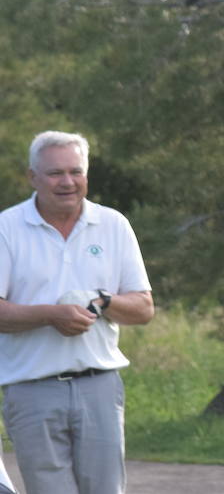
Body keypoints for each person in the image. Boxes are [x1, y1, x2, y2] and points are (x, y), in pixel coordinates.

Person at [0, 131, 155, 494]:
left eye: (76, 171)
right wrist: (51, 315)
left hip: (99, 385)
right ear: (32, 177)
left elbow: (144, 307)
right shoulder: (6, 228)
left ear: (86, 175)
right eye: (55, 173)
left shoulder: (113, 225)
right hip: (31, 388)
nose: (67, 182)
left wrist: (103, 302)